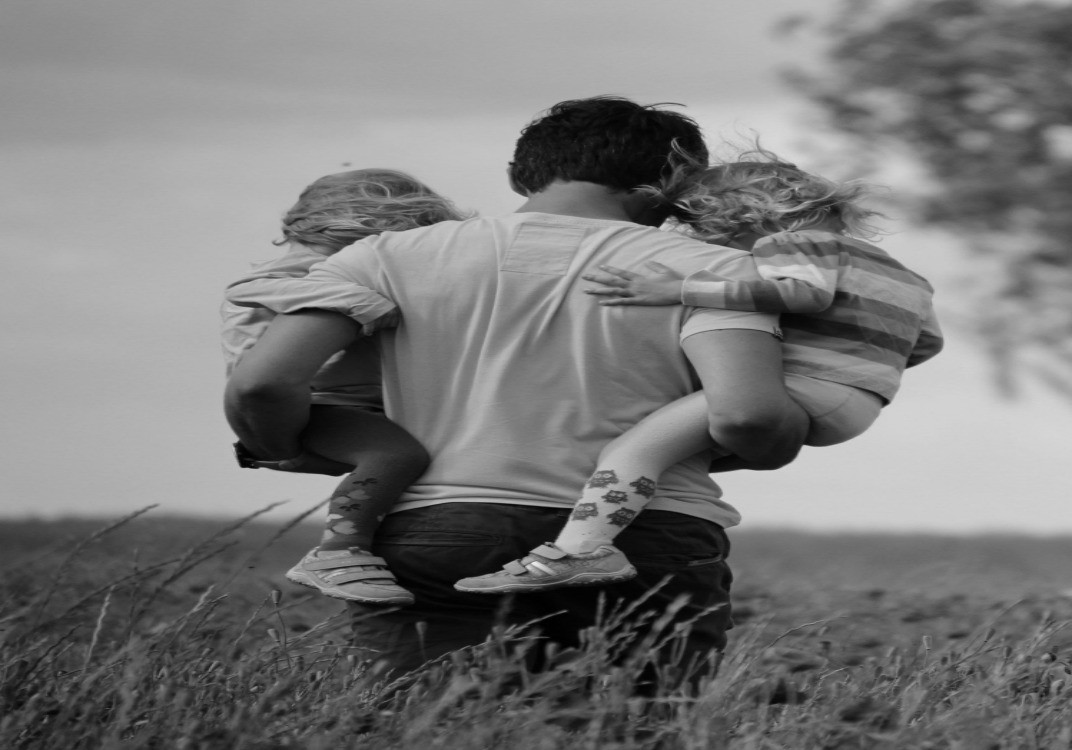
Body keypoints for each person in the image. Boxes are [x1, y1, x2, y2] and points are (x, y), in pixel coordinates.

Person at [222, 97, 808, 686]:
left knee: (433, 721)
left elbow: (263, 383)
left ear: (517, 175)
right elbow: (749, 417)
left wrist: (285, 448)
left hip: (438, 532)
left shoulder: (382, 256)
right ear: (672, 186)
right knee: (635, 722)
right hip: (646, 536)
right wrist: (782, 439)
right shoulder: (716, 273)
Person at [455, 153, 943, 594]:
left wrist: (679, 289)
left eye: (719, 236)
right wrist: (862, 368)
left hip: (806, 389)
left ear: (747, 217)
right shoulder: (905, 275)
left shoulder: (794, 241)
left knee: (633, 450)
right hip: (860, 404)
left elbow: (804, 294)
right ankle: (599, 523)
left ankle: (581, 551)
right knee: (667, 460)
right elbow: (926, 343)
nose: (722, 248)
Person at [222, 169, 468, 606]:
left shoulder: (329, 269)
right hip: (319, 405)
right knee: (396, 456)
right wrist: (365, 303)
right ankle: (339, 551)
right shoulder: (296, 271)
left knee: (407, 456)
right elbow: (253, 290)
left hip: (343, 403)